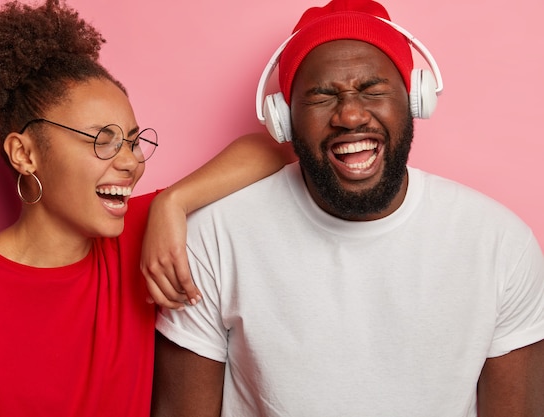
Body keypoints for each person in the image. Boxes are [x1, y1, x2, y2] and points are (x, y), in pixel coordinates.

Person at [150, 0, 544, 415]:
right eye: (321, 97)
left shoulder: (500, 243)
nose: (351, 115)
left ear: (415, 100)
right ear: (283, 119)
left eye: (373, 90)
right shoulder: (212, 239)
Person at [0, 0, 295, 415]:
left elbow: (272, 150)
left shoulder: (133, 238)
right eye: (102, 140)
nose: (131, 161)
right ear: (24, 154)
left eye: (133, 141)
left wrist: (174, 201)